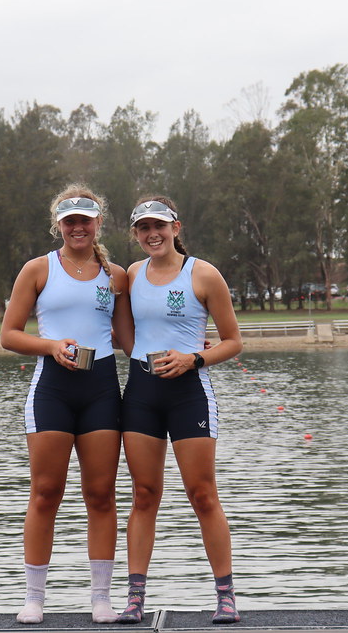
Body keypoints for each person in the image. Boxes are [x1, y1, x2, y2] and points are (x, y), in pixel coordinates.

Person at [0, 185, 134, 624]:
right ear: (58, 224)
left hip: (100, 391)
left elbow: (129, 338)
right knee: (45, 493)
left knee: (100, 495)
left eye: (86, 219)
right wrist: (52, 345)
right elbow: (10, 334)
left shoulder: (116, 275)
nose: (78, 226)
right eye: (69, 219)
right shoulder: (37, 270)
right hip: (52, 390)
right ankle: (34, 598)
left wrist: (187, 346)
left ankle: (100, 598)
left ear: (98, 222)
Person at [116, 196, 243, 625]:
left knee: (202, 494)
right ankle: (135, 598)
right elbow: (127, 334)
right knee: (144, 494)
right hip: (141, 394)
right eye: (143, 228)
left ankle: (225, 596)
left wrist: (193, 359)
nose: (152, 234)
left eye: (160, 226)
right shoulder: (133, 274)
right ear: (135, 234)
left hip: (190, 393)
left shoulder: (203, 274)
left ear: (176, 227)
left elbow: (232, 341)